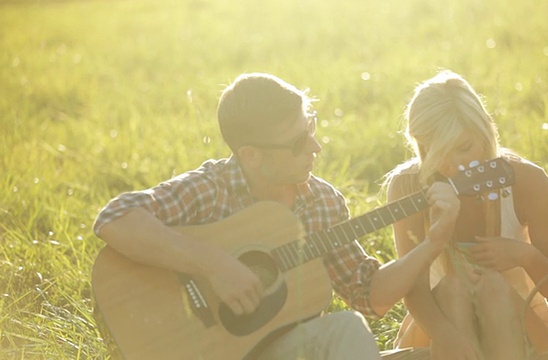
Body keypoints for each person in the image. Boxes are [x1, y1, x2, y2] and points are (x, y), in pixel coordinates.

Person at [93, 72, 445, 360]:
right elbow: (116, 218)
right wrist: (215, 265)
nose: (315, 147)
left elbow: (369, 295)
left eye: (311, 128)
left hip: (286, 350)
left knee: (359, 331)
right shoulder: (210, 189)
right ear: (251, 156)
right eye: (297, 142)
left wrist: (433, 242)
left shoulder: (321, 202)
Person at [386, 71, 548, 360]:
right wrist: (454, 342)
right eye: (439, 153)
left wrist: (524, 255)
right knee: (452, 289)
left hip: (518, 329)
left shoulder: (526, 180)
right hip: (437, 327)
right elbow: (415, 291)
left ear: (484, 133)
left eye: (464, 147)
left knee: (492, 287)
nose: (455, 165)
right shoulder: (408, 186)